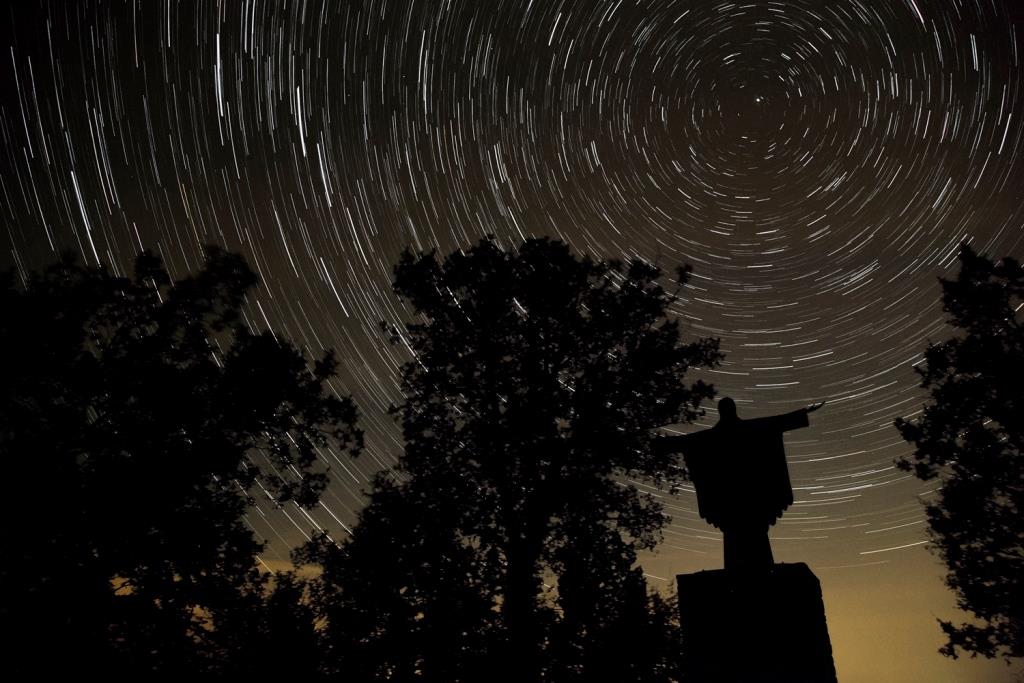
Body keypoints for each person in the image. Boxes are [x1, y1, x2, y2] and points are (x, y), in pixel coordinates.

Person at [654, 397, 825, 571]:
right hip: (747, 501)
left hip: (736, 502)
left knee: (744, 540)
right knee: (747, 541)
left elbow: (686, 442)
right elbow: (775, 423)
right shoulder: (743, 431)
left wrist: (658, 444)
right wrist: (802, 414)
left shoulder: (713, 437)